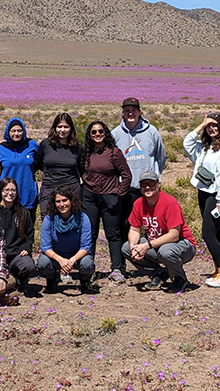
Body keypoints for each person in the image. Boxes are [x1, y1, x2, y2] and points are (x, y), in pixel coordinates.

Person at [184, 112, 220, 288]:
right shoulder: (206, 146)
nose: (212, 128)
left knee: (207, 232)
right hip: (204, 191)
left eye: (215, 125)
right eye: (209, 125)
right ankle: (218, 270)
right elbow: (187, 143)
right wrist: (200, 125)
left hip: (216, 195)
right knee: (214, 232)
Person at [122, 171, 196, 293]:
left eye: (151, 183)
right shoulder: (138, 204)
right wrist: (134, 247)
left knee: (165, 251)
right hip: (156, 243)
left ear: (159, 184)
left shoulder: (170, 203)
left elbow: (174, 235)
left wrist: (146, 246)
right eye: (143, 184)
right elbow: (134, 229)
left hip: (183, 244)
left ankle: (179, 279)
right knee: (126, 248)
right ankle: (159, 274)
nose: (147, 187)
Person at [80, 121, 132, 281]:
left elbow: (127, 175)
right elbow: (81, 171)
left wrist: (119, 193)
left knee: (113, 234)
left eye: (100, 131)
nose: (97, 134)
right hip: (90, 197)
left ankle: (116, 269)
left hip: (110, 197)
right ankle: (89, 268)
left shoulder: (114, 152)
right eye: (94, 132)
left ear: (106, 133)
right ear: (89, 135)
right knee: (91, 233)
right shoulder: (86, 153)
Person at [112, 97, 167, 245]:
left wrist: (155, 176)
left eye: (134, 110)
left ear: (140, 112)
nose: (131, 114)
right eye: (127, 111)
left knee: (151, 224)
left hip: (147, 187)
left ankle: (150, 258)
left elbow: (160, 157)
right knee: (125, 224)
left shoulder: (152, 131)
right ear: (122, 113)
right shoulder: (115, 134)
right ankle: (125, 257)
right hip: (125, 188)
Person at [37, 186, 97, 294]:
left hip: (77, 257)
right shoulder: (49, 219)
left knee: (88, 263)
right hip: (56, 257)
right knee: (43, 262)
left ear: (71, 201)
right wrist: (61, 260)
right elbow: (45, 247)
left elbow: (86, 246)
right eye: (58, 201)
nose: (62, 204)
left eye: (65, 200)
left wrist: (71, 261)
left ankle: (85, 281)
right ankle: (51, 279)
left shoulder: (83, 218)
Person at [0, 177, 36, 295]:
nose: (10, 193)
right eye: (6, 190)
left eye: (13, 190)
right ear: (0, 191)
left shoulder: (23, 212)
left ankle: (19, 280)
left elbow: (30, 234)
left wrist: (26, 248)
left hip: (15, 254)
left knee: (29, 266)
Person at [35, 112, 82, 218]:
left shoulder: (77, 147)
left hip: (71, 189)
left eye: (66, 127)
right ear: (54, 128)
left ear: (71, 128)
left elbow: (82, 169)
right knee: (47, 220)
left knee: (72, 222)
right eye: (59, 126)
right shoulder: (45, 144)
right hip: (49, 188)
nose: (62, 130)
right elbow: (36, 164)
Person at [0, 118, 39, 223]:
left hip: (27, 193)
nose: (16, 133)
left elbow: (40, 162)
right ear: (7, 132)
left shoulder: (31, 145)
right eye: (13, 131)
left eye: (19, 130)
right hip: (8, 194)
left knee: (27, 228)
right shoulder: (1, 148)